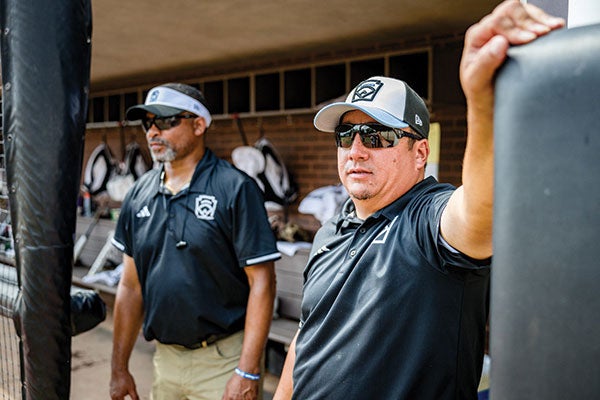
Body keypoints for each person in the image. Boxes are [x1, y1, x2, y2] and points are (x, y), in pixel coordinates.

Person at [273, 1, 565, 399]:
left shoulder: (425, 220)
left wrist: (483, 102)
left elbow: (482, 212)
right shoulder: (329, 231)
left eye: (376, 136)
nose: (356, 150)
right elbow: (309, 333)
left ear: (420, 153)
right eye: (346, 136)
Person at [109, 82, 280, 400]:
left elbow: (263, 283)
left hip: (223, 360)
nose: (153, 132)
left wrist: (247, 370)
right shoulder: (138, 193)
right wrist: (119, 367)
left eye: (166, 121)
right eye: (148, 122)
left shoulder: (235, 188)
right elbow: (130, 286)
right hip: (164, 360)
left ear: (199, 124)